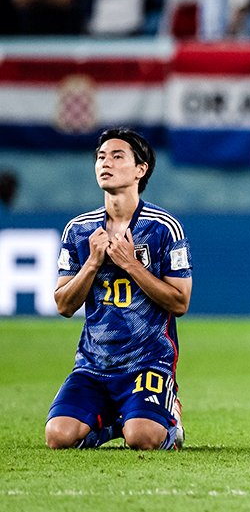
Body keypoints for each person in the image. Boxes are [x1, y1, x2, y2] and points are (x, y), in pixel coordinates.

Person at [46, 129, 191, 451]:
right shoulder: (80, 230)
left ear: (141, 170)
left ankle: (168, 417)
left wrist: (131, 265)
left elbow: (180, 302)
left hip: (148, 364)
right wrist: (92, 264)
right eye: (100, 157)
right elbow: (63, 305)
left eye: (117, 156)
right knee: (58, 436)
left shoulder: (163, 227)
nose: (105, 163)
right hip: (92, 366)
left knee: (144, 438)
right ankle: (116, 420)